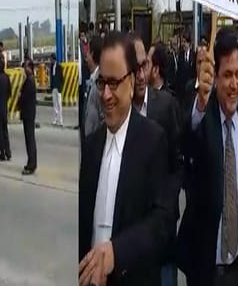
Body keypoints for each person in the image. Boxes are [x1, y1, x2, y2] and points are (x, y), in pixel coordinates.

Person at [78, 31, 173, 286]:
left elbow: (162, 224)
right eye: (102, 83)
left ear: (131, 82)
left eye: (114, 83)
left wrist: (116, 253)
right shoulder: (91, 146)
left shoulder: (152, 141)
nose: (106, 95)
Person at [179, 33, 238, 285]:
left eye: (237, 74)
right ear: (214, 78)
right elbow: (187, 146)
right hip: (204, 271)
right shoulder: (205, 119)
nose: (234, 84)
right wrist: (201, 106)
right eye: (227, 75)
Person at [129, 33, 182, 286]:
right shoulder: (119, 112)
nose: (141, 75)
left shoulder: (166, 106)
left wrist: (166, 207)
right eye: (135, 69)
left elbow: (177, 164)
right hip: (131, 234)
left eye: (144, 66)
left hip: (162, 230)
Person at [19, 59, 37, 175]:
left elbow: (25, 98)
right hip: (29, 113)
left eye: (26, 67)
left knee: (30, 140)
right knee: (29, 139)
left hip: (28, 114)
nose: (24, 69)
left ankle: (31, 165)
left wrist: (20, 98)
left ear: (30, 68)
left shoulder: (30, 81)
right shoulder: (30, 80)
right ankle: (31, 162)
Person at [50, 53, 64, 126]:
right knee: (54, 104)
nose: (50, 60)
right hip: (53, 88)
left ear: (53, 59)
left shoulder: (59, 67)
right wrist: (51, 86)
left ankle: (60, 120)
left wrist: (60, 87)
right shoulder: (51, 67)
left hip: (58, 88)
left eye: (51, 59)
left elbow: (62, 78)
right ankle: (55, 119)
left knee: (59, 104)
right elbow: (51, 77)